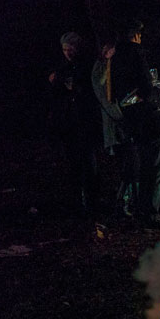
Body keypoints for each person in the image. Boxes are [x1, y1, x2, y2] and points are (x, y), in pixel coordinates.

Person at [110, 19, 160, 229]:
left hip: (132, 119)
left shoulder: (115, 56)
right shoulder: (137, 53)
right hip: (150, 119)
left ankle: (139, 209)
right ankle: (149, 213)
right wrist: (159, 91)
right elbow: (146, 89)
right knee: (154, 168)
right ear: (136, 35)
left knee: (141, 165)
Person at [48, 31, 101, 217]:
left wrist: (76, 89)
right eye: (65, 49)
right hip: (68, 123)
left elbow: (93, 91)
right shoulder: (63, 68)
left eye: (71, 49)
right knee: (72, 162)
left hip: (84, 121)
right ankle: (76, 200)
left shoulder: (86, 66)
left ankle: (91, 200)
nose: (68, 52)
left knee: (88, 161)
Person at [91, 37, 138, 217]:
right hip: (117, 126)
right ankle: (124, 202)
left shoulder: (119, 65)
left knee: (132, 165)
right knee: (127, 166)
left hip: (126, 123)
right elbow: (106, 99)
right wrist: (122, 117)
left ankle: (128, 201)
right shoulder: (101, 68)